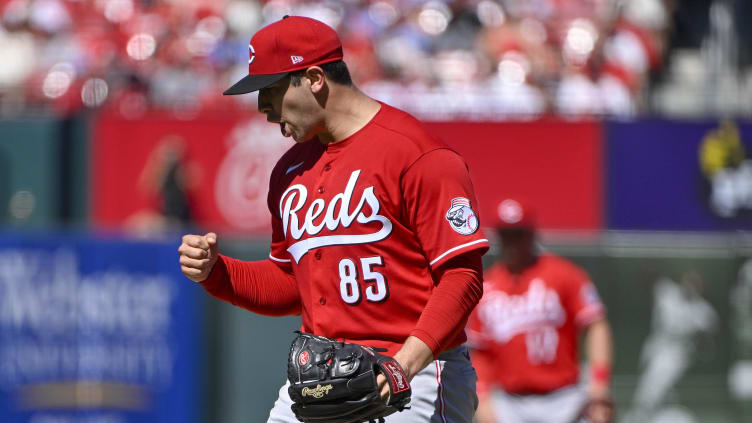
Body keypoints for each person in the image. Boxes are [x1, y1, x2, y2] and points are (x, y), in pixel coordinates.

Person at [177, 16, 490, 423]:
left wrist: (405, 363)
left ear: (313, 78)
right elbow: (292, 285)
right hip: (319, 372)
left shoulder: (417, 154)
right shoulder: (289, 172)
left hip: (415, 369)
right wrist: (216, 273)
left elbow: (462, 276)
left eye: (270, 90)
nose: (262, 108)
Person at [467, 199, 614, 423]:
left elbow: (596, 325)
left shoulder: (565, 274)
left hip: (566, 398)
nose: (513, 243)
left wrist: (599, 384)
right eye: (507, 235)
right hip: (509, 404)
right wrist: (483, 398)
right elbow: (480, 352)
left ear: (532, 234)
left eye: (519, 234)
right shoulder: (487, 286)